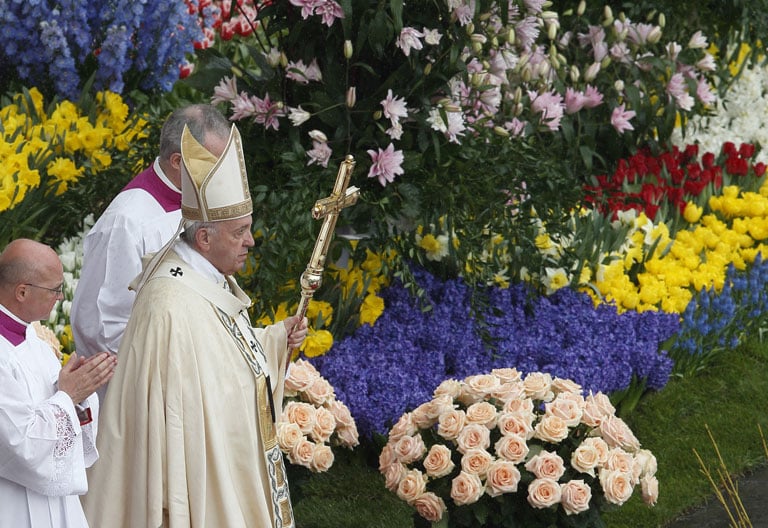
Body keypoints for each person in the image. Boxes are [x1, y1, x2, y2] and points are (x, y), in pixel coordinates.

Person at [82, 123, 308, 528]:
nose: (251, 242)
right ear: (203, 237)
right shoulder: (167, 305)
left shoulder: (203, 272)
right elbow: (168, 410)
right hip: (194, 471)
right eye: (239, 232)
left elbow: (218, 349)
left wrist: (274, 339)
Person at [71, 104, 231, 367]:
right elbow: (102, 325)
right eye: (213, 165)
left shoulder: (200, 198)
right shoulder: (126, 222)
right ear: (178, 162)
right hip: (145, 379)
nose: (221, 176)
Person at [0, 239, 117, 528]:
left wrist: (79, 393)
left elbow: (59, 403)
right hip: (13, 502)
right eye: (54, 289)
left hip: (55, 500)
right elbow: (20, 443)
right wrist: (68, 395)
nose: (60, 296)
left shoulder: (35, 340)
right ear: (22, 291)